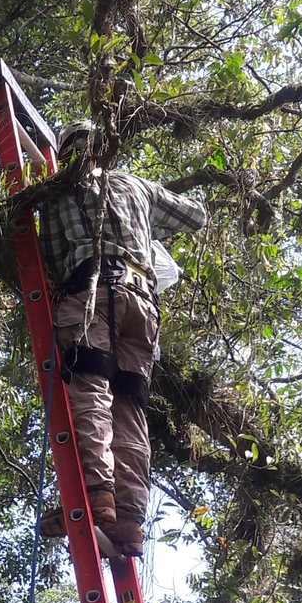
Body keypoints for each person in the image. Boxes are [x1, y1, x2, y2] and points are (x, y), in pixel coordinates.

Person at [39, 121, 206, 558]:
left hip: (92, 293)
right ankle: (131, 519)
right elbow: (196, 215)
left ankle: (96, 498)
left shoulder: (56, 196)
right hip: (143, 305)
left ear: (65, 154)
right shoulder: (135, 186)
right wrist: (143, 226)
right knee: (130, 409)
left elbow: (53, 264)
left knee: (89, 388)